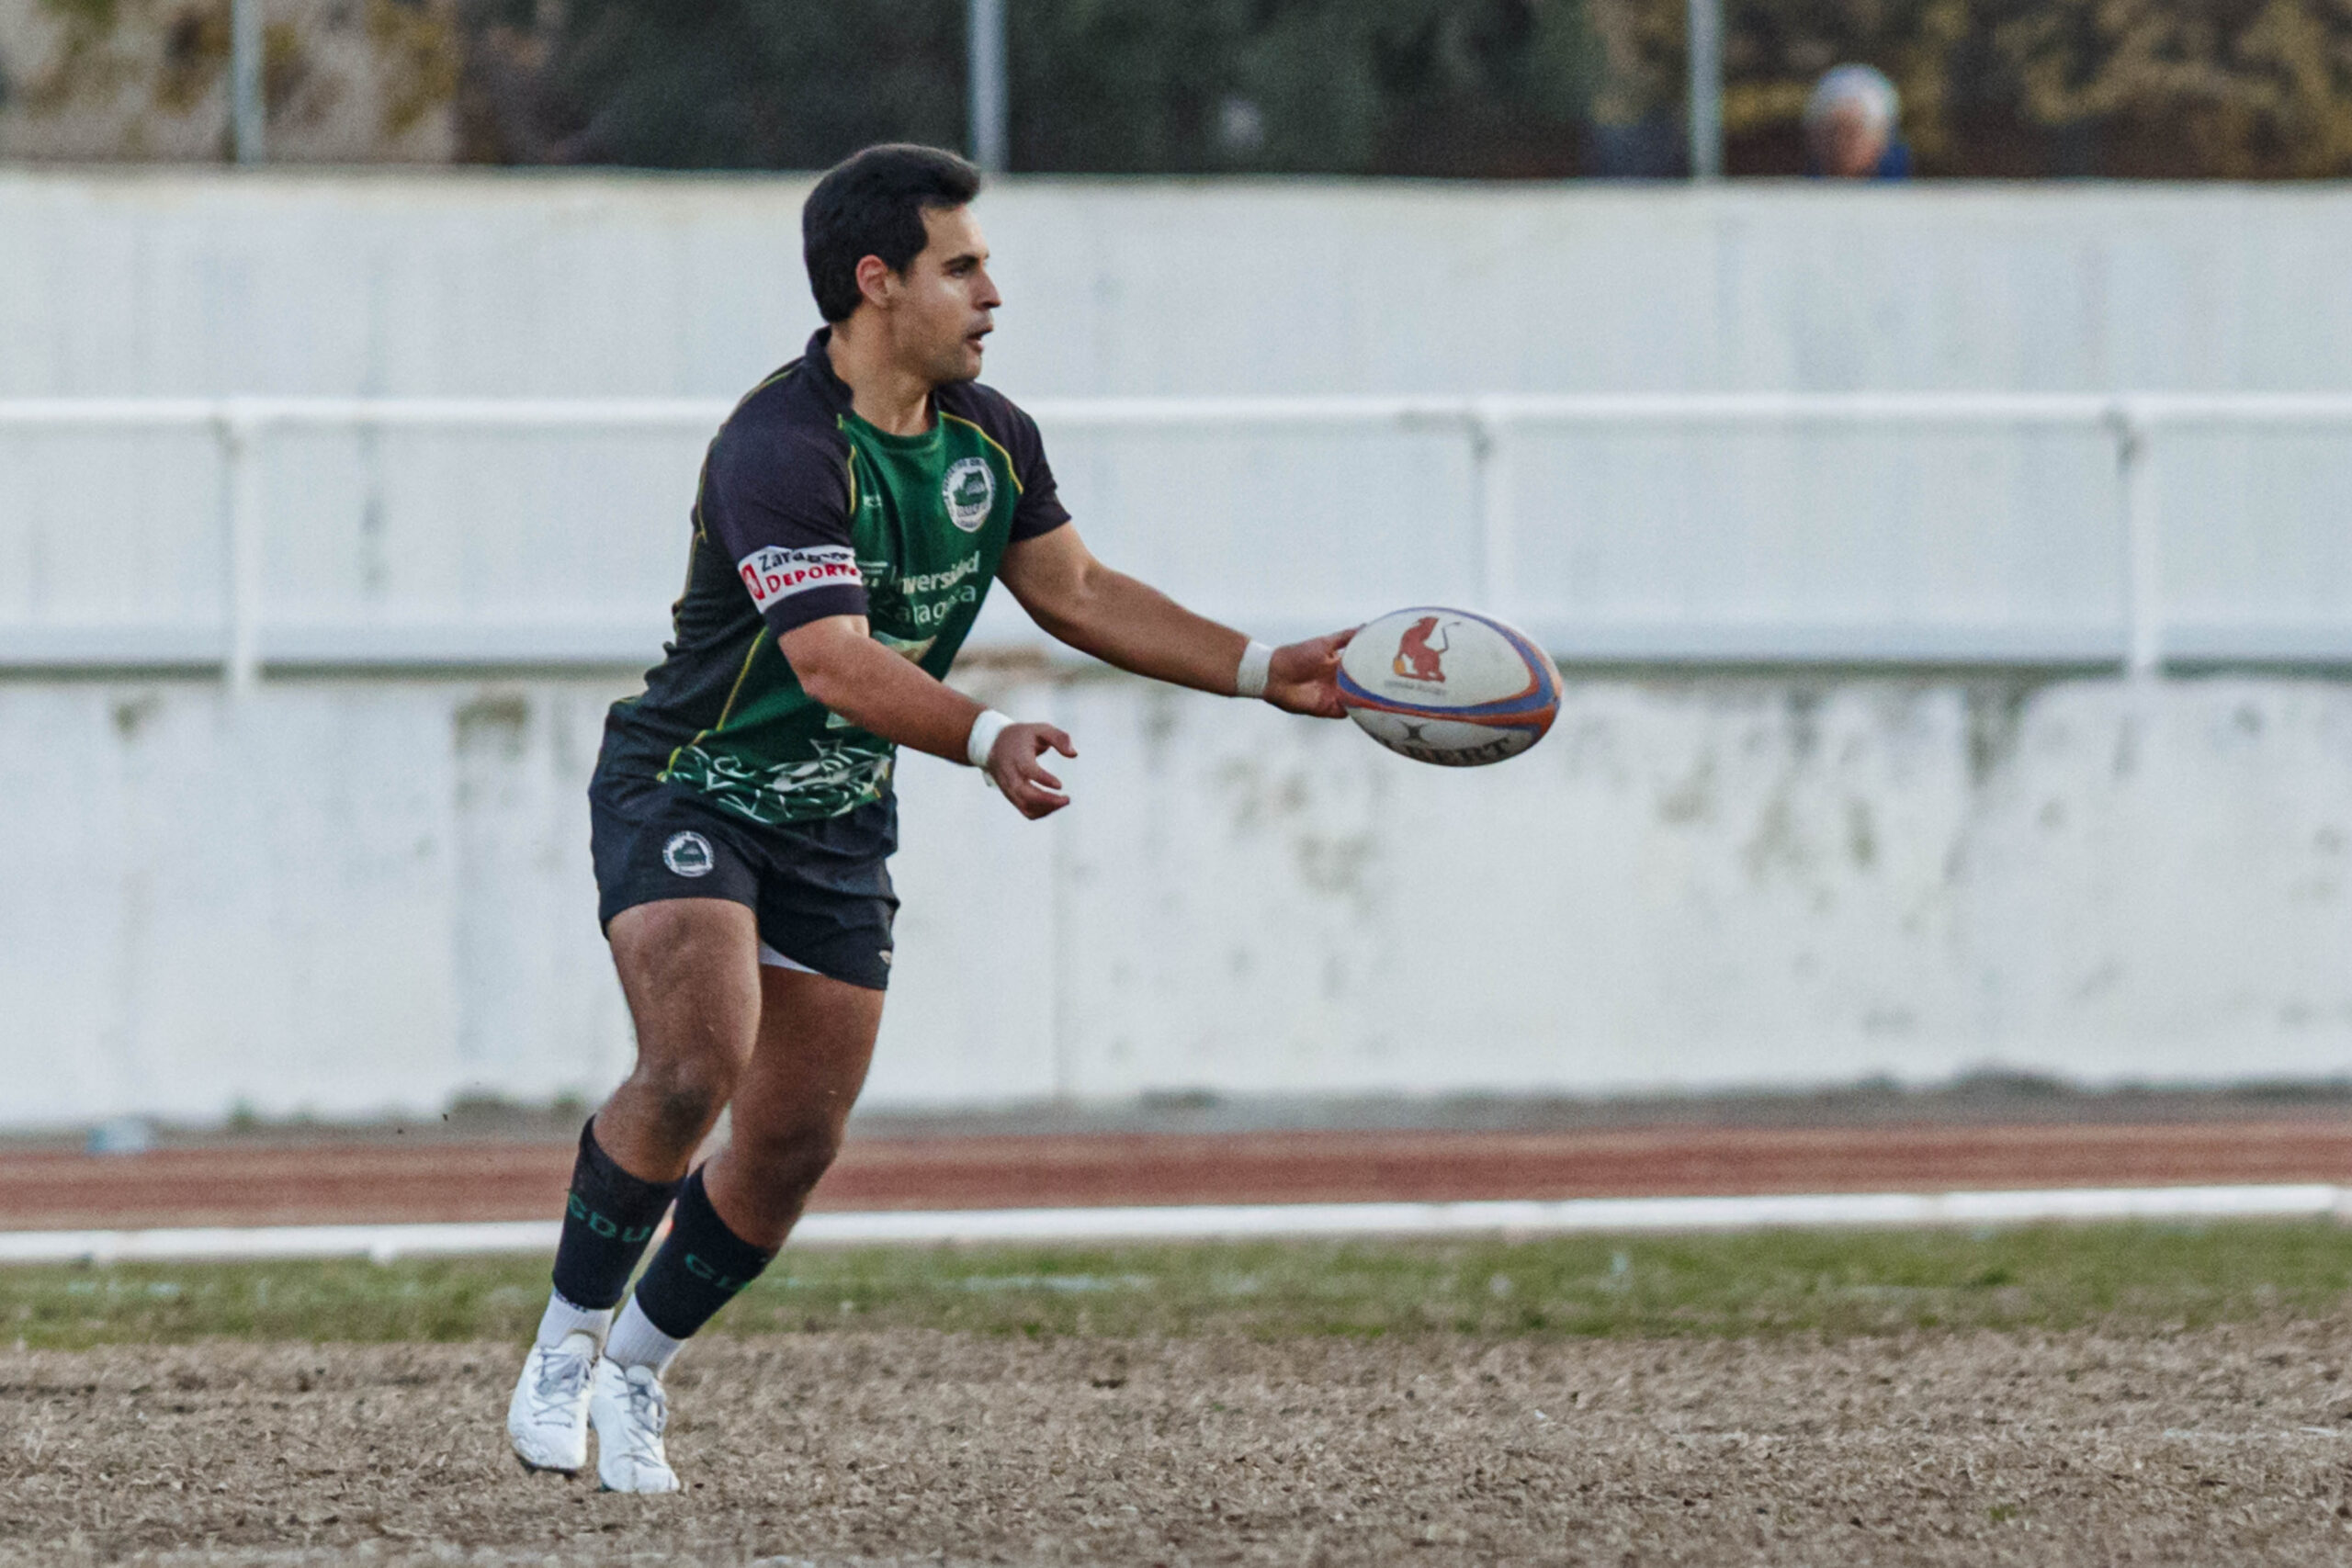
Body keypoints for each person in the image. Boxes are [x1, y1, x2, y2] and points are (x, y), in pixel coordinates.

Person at [503, 141, 1356, 1494]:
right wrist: (986, 734)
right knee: (694, 1062)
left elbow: (1076, 589)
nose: (992, 293)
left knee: (791, 1143)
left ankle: (638, 1371)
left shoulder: (989, 436)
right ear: (876, 282)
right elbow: (831, 660)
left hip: (840, 821)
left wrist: (1265, 668)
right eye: (963, 267)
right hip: (693, 780)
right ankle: (562, 1346)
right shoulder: (778, 446)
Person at [1804, 64, 1912, 180]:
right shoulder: (1795, 193)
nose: (1840, 143)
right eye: (1833, 131)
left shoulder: (1909, 194)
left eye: (1852, 132)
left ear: (1881, 138)